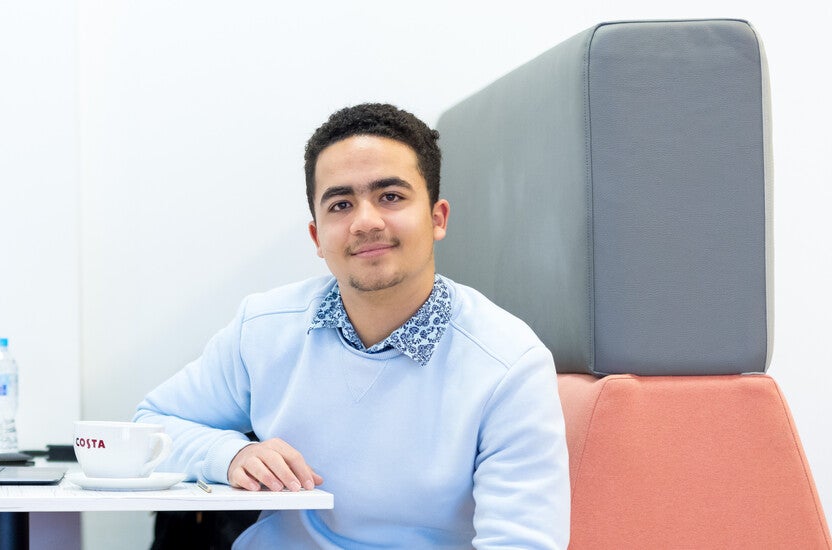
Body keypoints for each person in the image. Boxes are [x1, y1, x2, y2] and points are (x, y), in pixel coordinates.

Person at [135, 103, 569, 548]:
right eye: (341, 204)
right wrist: (229, 455)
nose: (365, 222)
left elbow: (523, 542)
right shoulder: (264, 328)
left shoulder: (508, 364)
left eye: (391, 196)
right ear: (317, 237)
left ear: (437, 218)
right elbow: (151, 425)